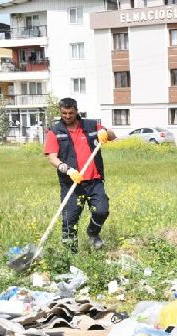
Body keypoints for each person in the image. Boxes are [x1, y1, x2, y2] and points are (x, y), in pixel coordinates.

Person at [44, 97, 117, 251]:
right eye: (64, 113)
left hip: (94, 181)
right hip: (71, 183)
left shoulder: (90, 125)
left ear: (76, 111)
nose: (67, 116)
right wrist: (67, 169)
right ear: (60, 112)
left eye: (71, 113)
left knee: (102, 211)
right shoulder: (55, 131)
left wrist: (105, 131)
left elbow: (112, 135)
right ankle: (70, 256)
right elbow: (52, 157)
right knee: (70, 220)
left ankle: (93, 232)